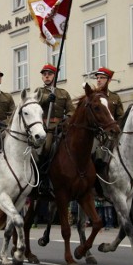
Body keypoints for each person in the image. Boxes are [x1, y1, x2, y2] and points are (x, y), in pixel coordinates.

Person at [35, 64, 75, 193]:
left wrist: (66, 120)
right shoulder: (39, 92)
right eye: (44, 74)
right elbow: (35, 105)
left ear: (55, 76)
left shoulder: (63, 93)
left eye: (49, 74)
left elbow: (71, 111)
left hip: (61, 127)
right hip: (46, 128)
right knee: (45, 149)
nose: (46, 76)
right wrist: (47, 99)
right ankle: (42, 178)